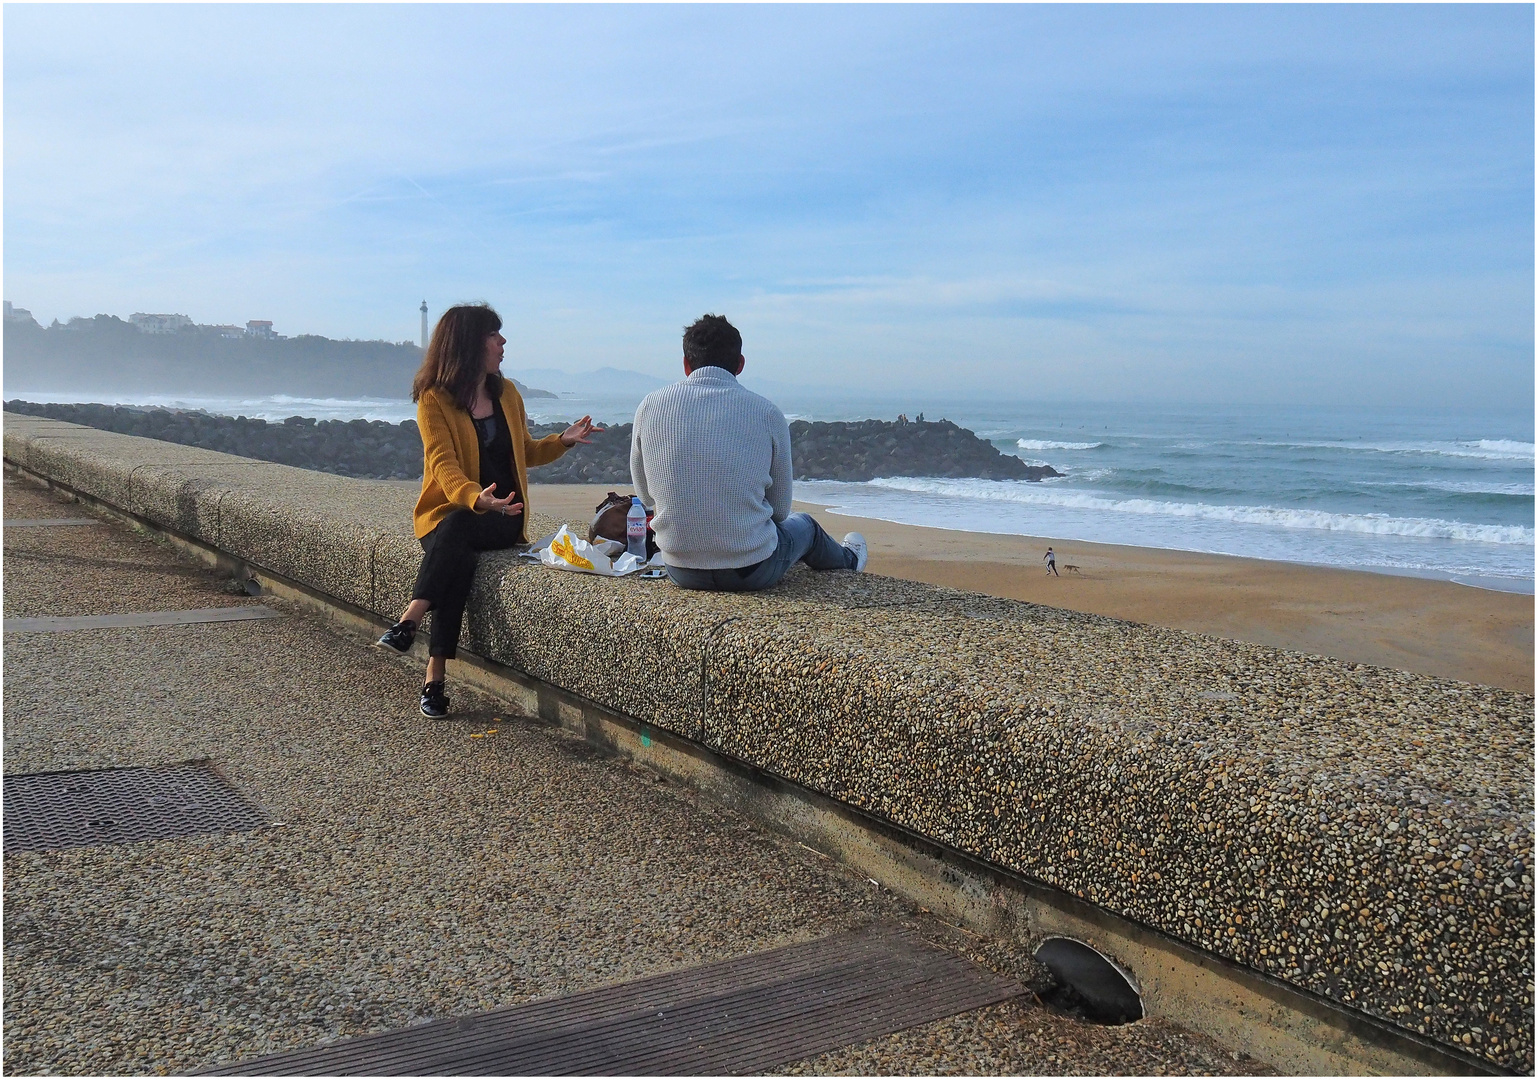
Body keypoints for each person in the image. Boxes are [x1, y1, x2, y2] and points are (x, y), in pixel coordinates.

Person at [375, 303, 600, 717]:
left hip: (503, 518)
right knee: (457, 547)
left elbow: (525, 452)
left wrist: (562, 441)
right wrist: (474, 497)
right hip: (451, 513)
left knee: (457, 542)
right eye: (494, 335)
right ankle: (433, 678)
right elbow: (443, 465)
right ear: (468, 343)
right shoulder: (434, 400)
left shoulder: (506, 392)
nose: (502, 342)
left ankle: (410, 621)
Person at [630, 313, 866, 592]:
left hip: (680, 569)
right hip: (752, 571)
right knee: (806, 526)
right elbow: (779, 511)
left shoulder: (649, 406)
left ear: (686, 364)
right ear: (740, 364)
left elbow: (644, 497)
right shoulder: (766, 413)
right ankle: (850, 560)